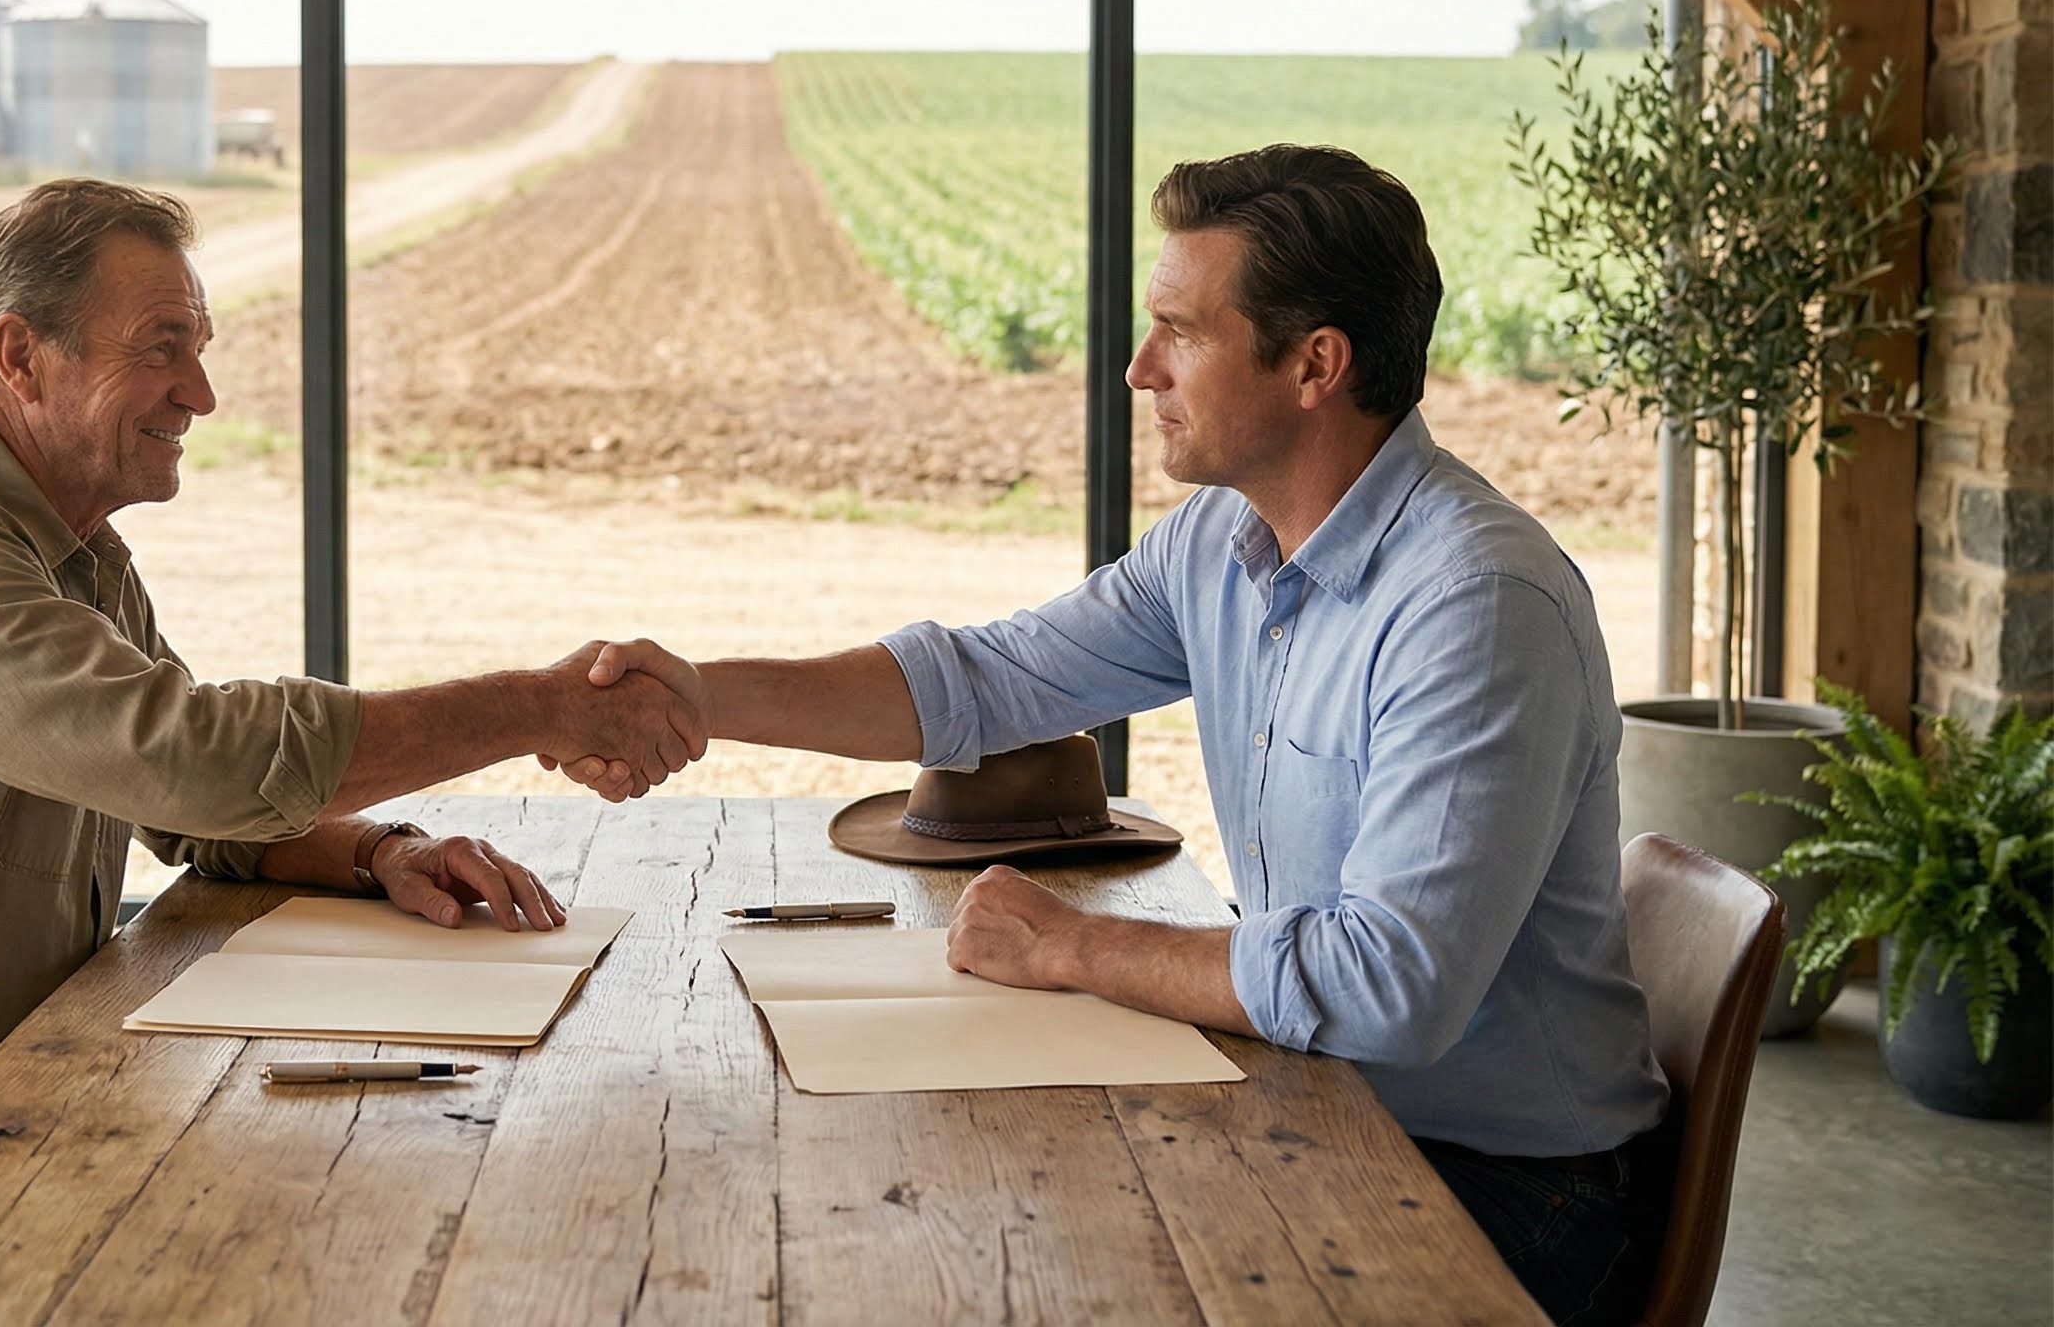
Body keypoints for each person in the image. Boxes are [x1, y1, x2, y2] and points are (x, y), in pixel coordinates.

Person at [560, 145, 1672, 1326]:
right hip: (1330, 1105)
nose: (1140, 369)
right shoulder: (1221, 545)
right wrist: (696, 697)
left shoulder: (1474, 605)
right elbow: (989, 679)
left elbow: (1385, 988)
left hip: (1503, 1194)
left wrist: (1073, 947)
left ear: (1314, 364)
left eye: (1180, 332)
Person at [0, 178, 703, 1305]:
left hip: (0, 1112)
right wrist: (537, 707)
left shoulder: (74, 550)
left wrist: (375, 851)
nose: (199, 393)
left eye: (198, 347)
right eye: (164, 348)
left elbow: (185, 811)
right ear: (20, 354)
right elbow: (195, 759)